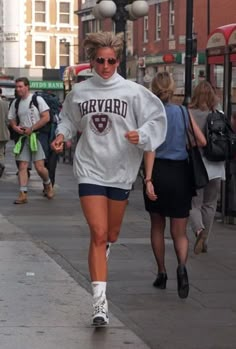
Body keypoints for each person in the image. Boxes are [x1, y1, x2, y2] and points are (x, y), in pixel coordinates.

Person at [51, 31, 167, 326]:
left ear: (117, 61)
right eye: (100, 61)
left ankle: (104, 250)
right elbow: (66, 118)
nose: (105, 66)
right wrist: (62, 135)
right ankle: (100, 304)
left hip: (121, 171)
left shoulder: (133, 92)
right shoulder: (80, 92)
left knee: (111, 235)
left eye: (111, 61)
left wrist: (140, 135)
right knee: (98, 233)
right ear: (91, 61)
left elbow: (158, 120)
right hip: (89, 168)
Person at [143, 72, 206, 299]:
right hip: (181, 173)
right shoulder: (182, 111)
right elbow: (202, 141)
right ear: (172, 87)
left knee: (157, 226)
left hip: (158, 171)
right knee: (179, 231)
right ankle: (182, 267)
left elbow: (149, 146)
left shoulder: (152, 113)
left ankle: (162, 273)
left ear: (153, 88)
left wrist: (148, 179)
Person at [188, 81, 225, 254]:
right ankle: (205, 241)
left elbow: (186, 142)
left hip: (197, 166)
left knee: (194, 204)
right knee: (210, 204)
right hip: (216, 166)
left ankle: (199, 231)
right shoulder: (219, 113)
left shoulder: (189, 114)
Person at [8, 77, 54, 204]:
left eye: (21, 86)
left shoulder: (37, 99)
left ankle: (47, 183)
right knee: (22, 166)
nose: (18, 89)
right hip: (23, 137)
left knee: (39, 167)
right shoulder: (15, 102)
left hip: (36, 136)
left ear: (27, 87)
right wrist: (15, 127)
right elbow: (11, 118)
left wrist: (32, 128)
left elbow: (46, 117)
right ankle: (23, 193)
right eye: (17, 87)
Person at [0, 88, 10, 177]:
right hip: (3, 133)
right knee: (1, 151)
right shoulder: (5, 104)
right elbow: (8, 120)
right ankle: (1, 165)